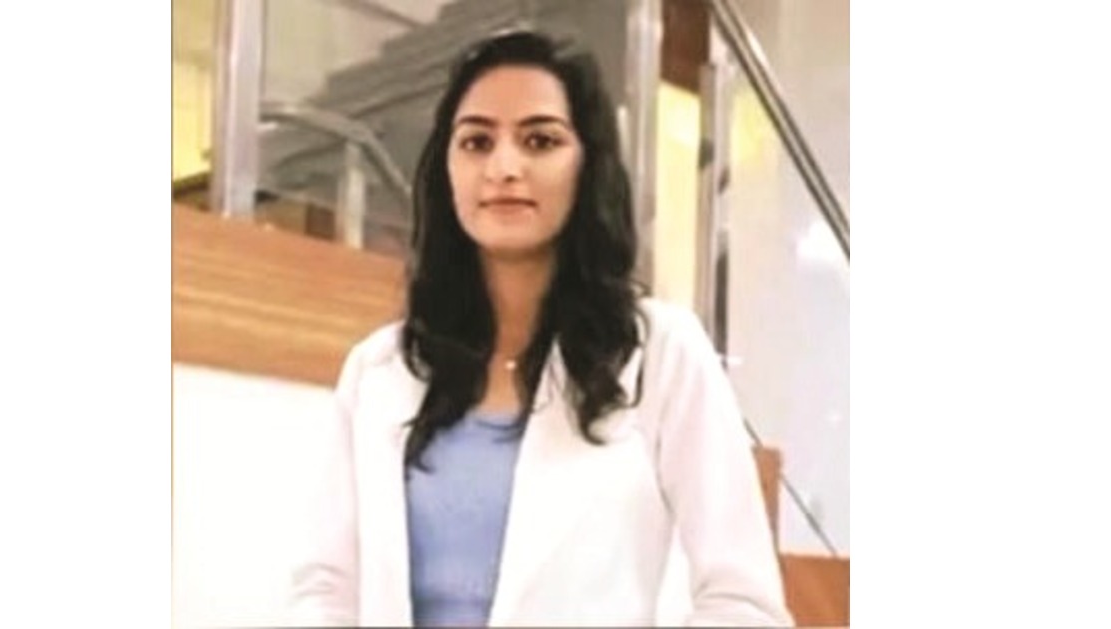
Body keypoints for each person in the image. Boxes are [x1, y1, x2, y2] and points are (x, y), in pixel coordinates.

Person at [289, 29, 792, 627]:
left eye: (540, 140)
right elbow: (326, 588)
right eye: (476, 141)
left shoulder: (661, 354)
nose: (504, 167)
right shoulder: (379, 368)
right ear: (447, 168)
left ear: (587, 164)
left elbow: (742, 601)